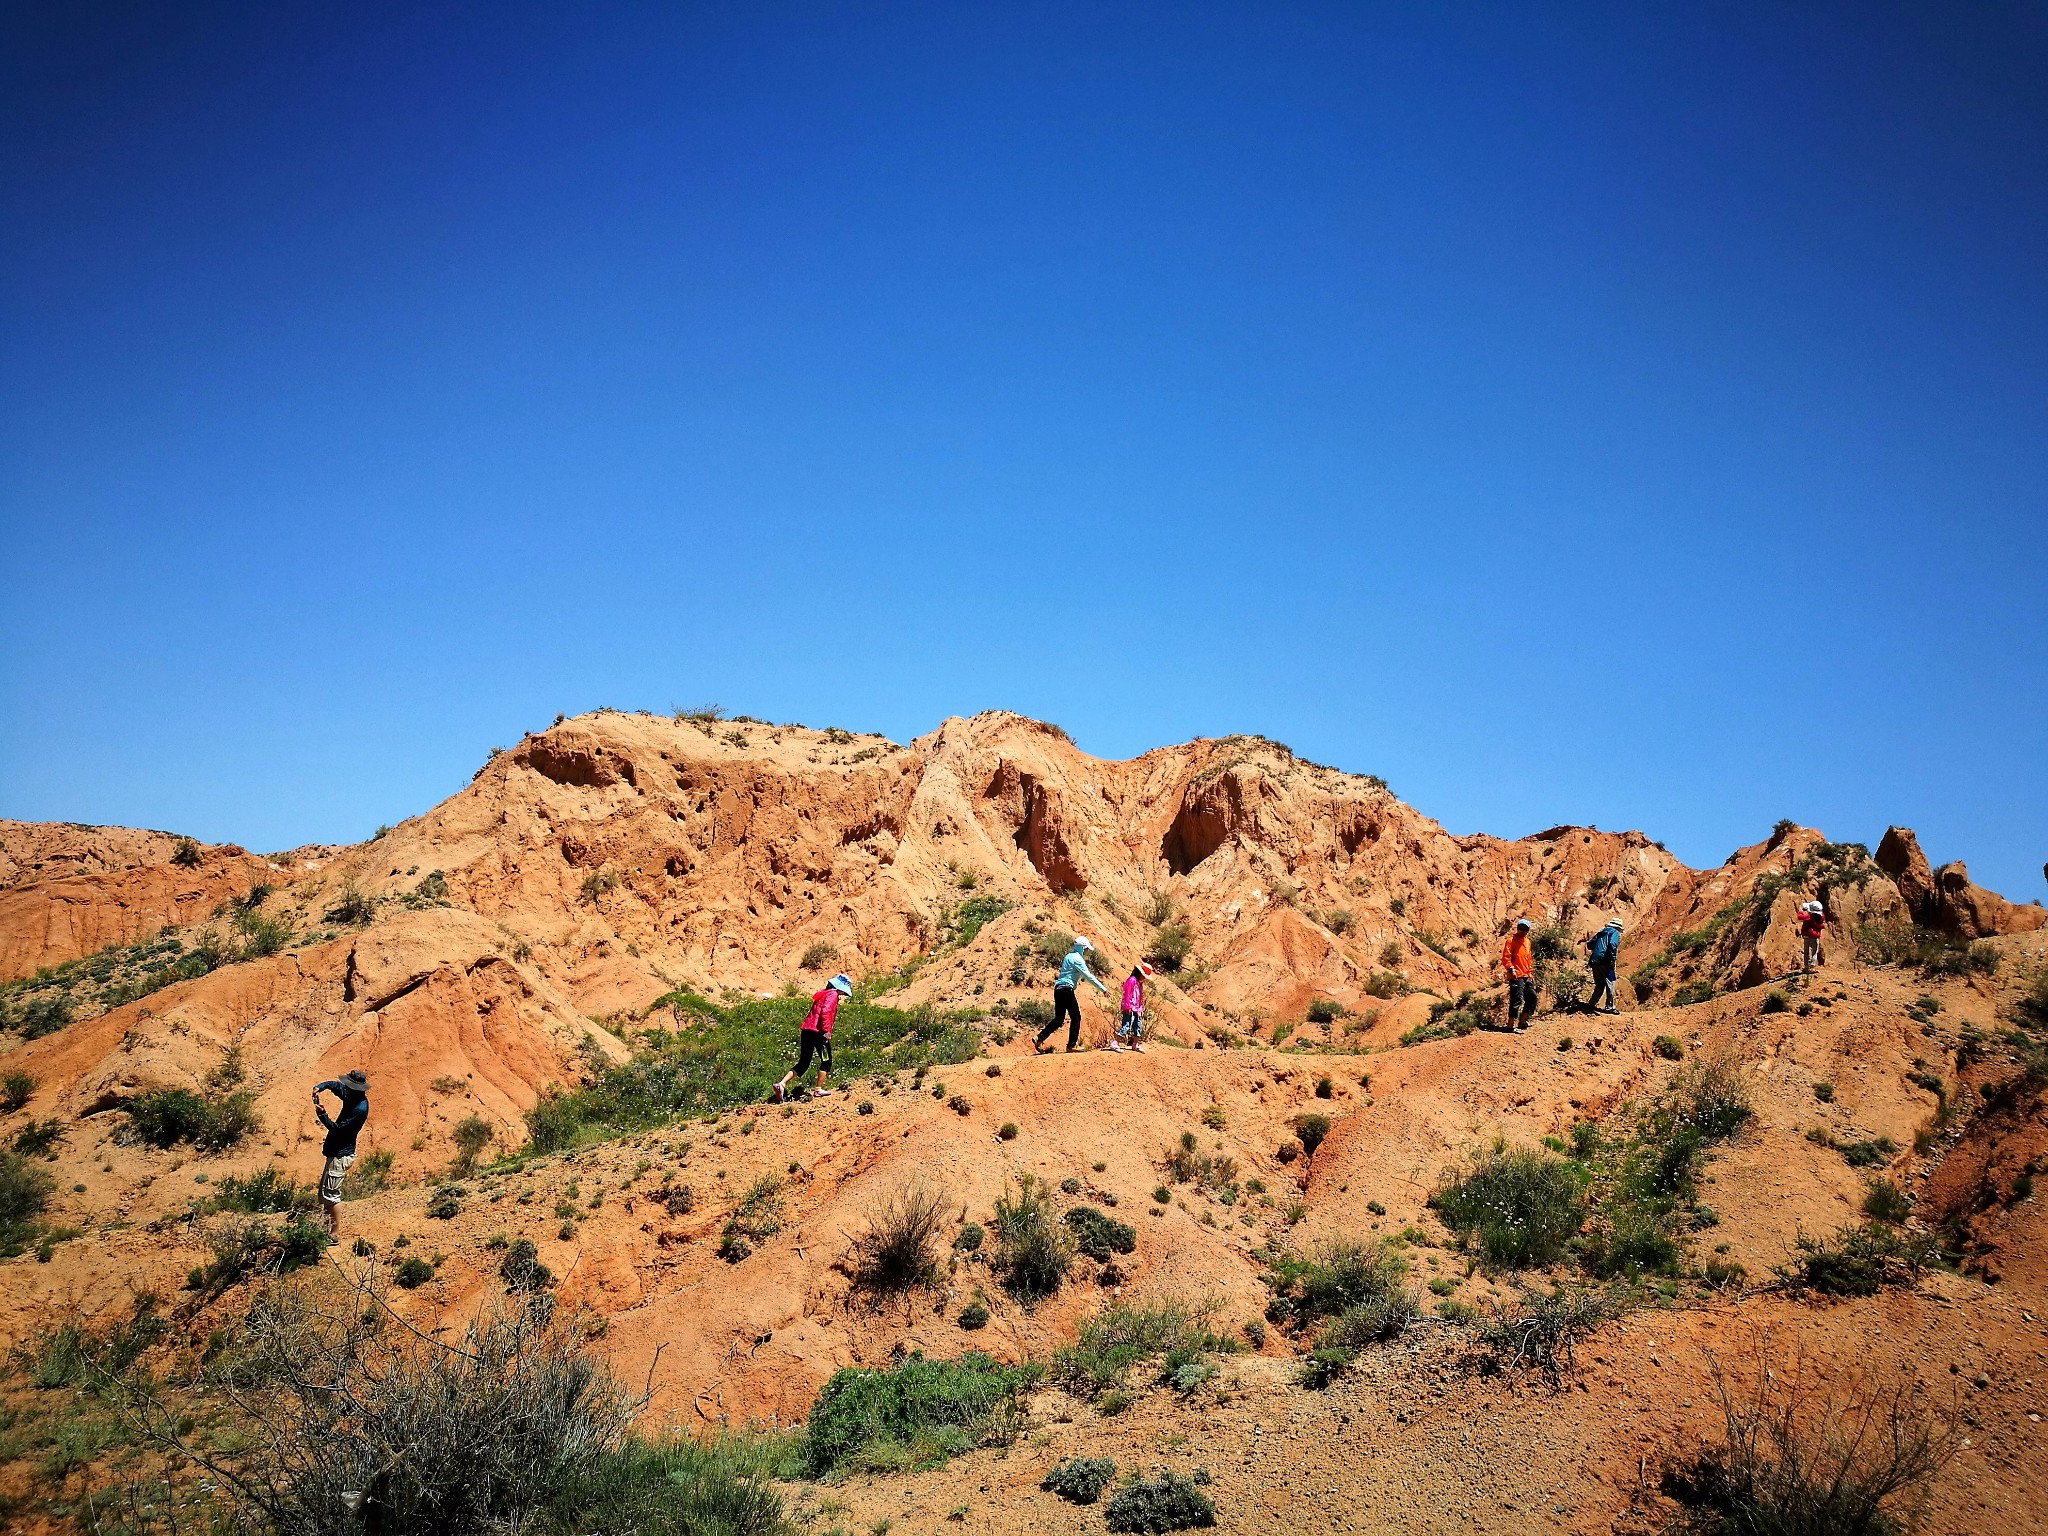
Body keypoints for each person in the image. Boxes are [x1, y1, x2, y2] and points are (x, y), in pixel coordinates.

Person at [774, 973, 852, 1103]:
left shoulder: (823, 994)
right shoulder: (833, 995)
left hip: (807, 1031)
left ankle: (782, 1084)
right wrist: (826, 1031)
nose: (842, 994)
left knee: (804, 1062)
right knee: (826, 1060)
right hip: (819, 1033)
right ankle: (818, 1089)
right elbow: (826, 1012)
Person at [312, 1069, 369, 1237]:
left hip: (340, 1155)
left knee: (331, 1196)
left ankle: (334, 1234)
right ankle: (326, 1230)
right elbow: (335, 1086)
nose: (345, 1087)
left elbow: (337, 1129)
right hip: (337, 1153)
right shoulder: (353, 1096)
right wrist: (320, 1087)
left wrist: (322, 1115)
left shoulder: (359, 1109)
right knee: (326, 1195)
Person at [1036, 936, 1109, 1052]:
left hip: (1058, 989)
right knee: (1076, 1017)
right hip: (1066, 989)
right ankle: (1071, 1045)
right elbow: (1088, 976)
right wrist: (1103, 989)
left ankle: (1039, 1038)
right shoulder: (1078, 959)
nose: (1086, 951)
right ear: (1082, 948)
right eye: (1086, 949)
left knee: (1059, 1019)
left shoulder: (1068, 956)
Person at [1501, 918, 1537, 1031]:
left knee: (1532, 997)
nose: (1522, 931)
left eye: (1525, 929)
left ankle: (1523, 1021)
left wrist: (1530, 972)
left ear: (1528, 930)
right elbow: (1506, 957)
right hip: (1516, 974)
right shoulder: (1510, 940)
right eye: (1520, 928)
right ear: (1517, 928)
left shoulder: (1527, 942)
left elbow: (1528, 958)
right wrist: (1511, 969)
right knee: (1517, 999)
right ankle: (1510, 1025)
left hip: (1526, 974)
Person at [1112, 962, 1154, 1052]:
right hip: (1129, 1007)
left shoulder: (1139, 983)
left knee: (1137, 1026)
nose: (1144, 978)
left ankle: (1135, 1044)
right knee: (1126, 1025)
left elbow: (1139, 997)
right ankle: (1115, 1043)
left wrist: (1140, 1007)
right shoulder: (1132, 980)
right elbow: (1127, 994)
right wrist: (1127, 1006)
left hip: (1136, 1008)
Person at [1583, 919, 1623, 1015]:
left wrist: (1598, 948)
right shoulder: (1614, 932)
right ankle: (1609, 1007)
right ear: (1617, 928)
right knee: (1610, 982)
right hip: (1605, 961)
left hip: (1594, 961)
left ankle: (1591, 1004)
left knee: (1599, 984)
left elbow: (1589, 945)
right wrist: (1612, 958)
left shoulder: (1601, 931)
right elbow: (1612, 944)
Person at [1797, 901, 1827, 977]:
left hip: (1807, 935)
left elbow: (1800, 917)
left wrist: (1801, 910)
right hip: (1815, 936)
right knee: (1814, 952)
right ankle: (1812, 966)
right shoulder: (1821, 916)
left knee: (1806, 951)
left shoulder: (1809, 917)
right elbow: (1822, 924)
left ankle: (1806, 967)